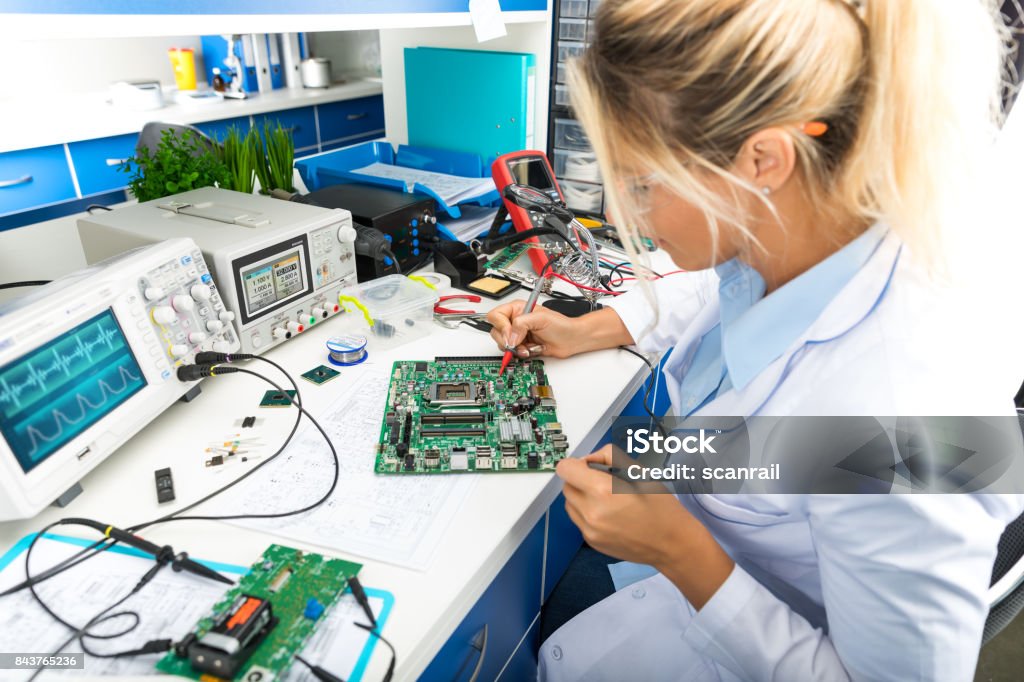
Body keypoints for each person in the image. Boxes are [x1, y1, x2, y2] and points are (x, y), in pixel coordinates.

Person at [487, 0, 1024, 679]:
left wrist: (683, 552)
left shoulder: (908, 413)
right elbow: (719, 296)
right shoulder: (812, 236)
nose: (623, 215)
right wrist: (586, 328)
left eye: (643, 183)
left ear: (762, 160)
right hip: (694, 557)